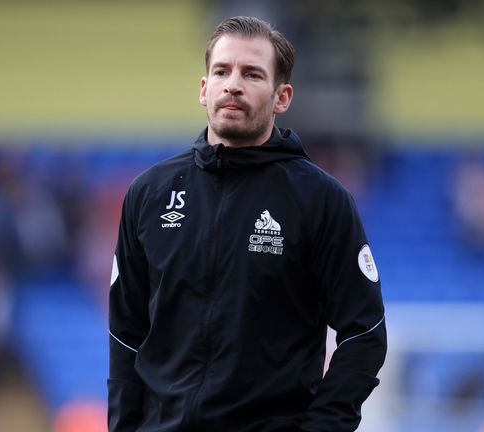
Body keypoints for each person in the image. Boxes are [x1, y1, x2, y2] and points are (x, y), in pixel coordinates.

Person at [108, 16, 386, 431]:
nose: (232, 84)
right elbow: (125, 333)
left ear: (282, 97)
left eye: (252, 74)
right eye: (222, 71)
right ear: (204, 89)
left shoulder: (321, 200)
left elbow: (365, 333)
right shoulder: (150, 193)